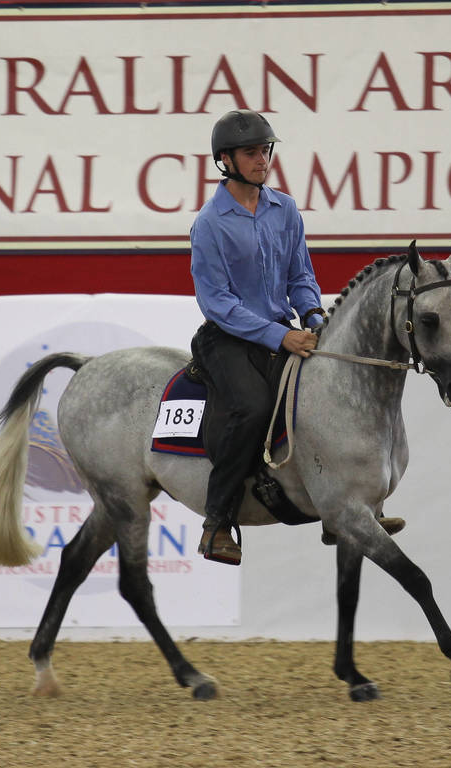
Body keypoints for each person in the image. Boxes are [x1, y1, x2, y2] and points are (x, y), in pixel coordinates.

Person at [190, 109, 325, 565]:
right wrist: (278, 336)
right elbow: (217, 303)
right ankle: (217, 523)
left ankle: (343, 501)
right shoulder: (209, 223)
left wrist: (312, 314)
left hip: (280, 333)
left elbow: (300, 274)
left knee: (327, 393)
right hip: (226, 337)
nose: (262, 159)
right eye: (251, 153)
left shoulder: (285, 209)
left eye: (265, 151)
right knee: (252, 407)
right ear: (225, 160)